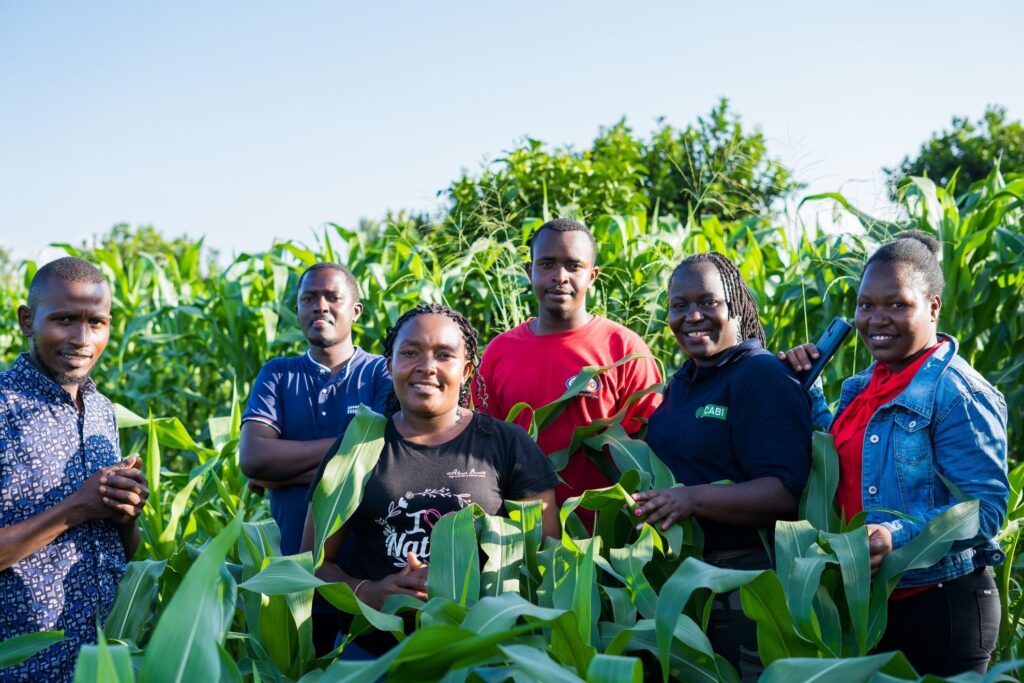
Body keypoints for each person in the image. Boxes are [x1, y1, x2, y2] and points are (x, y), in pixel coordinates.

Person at [778, 231, 1008, 676]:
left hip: (939, 604)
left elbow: (986, 509)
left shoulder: (958, 392)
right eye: (866, 305)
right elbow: (846, 458)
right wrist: (805, 391)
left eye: (897, 305)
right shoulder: (865, 385)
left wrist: (893, 536)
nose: (876, 319)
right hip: (871, 604)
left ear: (933, 307)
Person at [302, 303, 559, 656]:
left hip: (483, 654)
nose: (427, 367)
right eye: (410, 353)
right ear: (389, 364)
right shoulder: (358, 447)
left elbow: (547, 556)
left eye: (444, 355)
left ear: (467, 370)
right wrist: (370, 592)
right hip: (374, 655)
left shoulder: (506, 443)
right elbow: (312, 563)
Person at [634, 252, 812, 680]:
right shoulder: (684, 381)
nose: (692, 316)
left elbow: (784, 492)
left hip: (741, 591)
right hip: (684, 586)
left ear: (735, 305)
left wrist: (690, 500)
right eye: (679, 306)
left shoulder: (761, 376)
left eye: (707, 302)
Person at [0, 257, 149, 683]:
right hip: (23, 667)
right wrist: (78, 507)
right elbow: (80, 510)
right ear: (28, 321)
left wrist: (124, 514)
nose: (82, 338)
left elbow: (122, 552)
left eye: (96, 322)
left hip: (103, 662)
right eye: (65, 319)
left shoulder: (102, 411)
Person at [239, 262, 390, 653]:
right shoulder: (277, 374)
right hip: (295, 579)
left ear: (355, 311)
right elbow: (254, 459)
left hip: (369, 584)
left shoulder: (381, 373)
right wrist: (348, 453)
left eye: (332, 297)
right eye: (309, 298)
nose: (319, 306)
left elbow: (384, 461)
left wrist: (280, 474)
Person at [471, 218, 662, 515]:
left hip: (607, 534)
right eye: (547, 264)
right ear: (528, 271)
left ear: (592, 276)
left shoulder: (624, 348)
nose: (560, 276)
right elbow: (481, 446)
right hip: (520, 535)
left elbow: (650, 444)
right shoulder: (499, 352)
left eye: (574, 266)